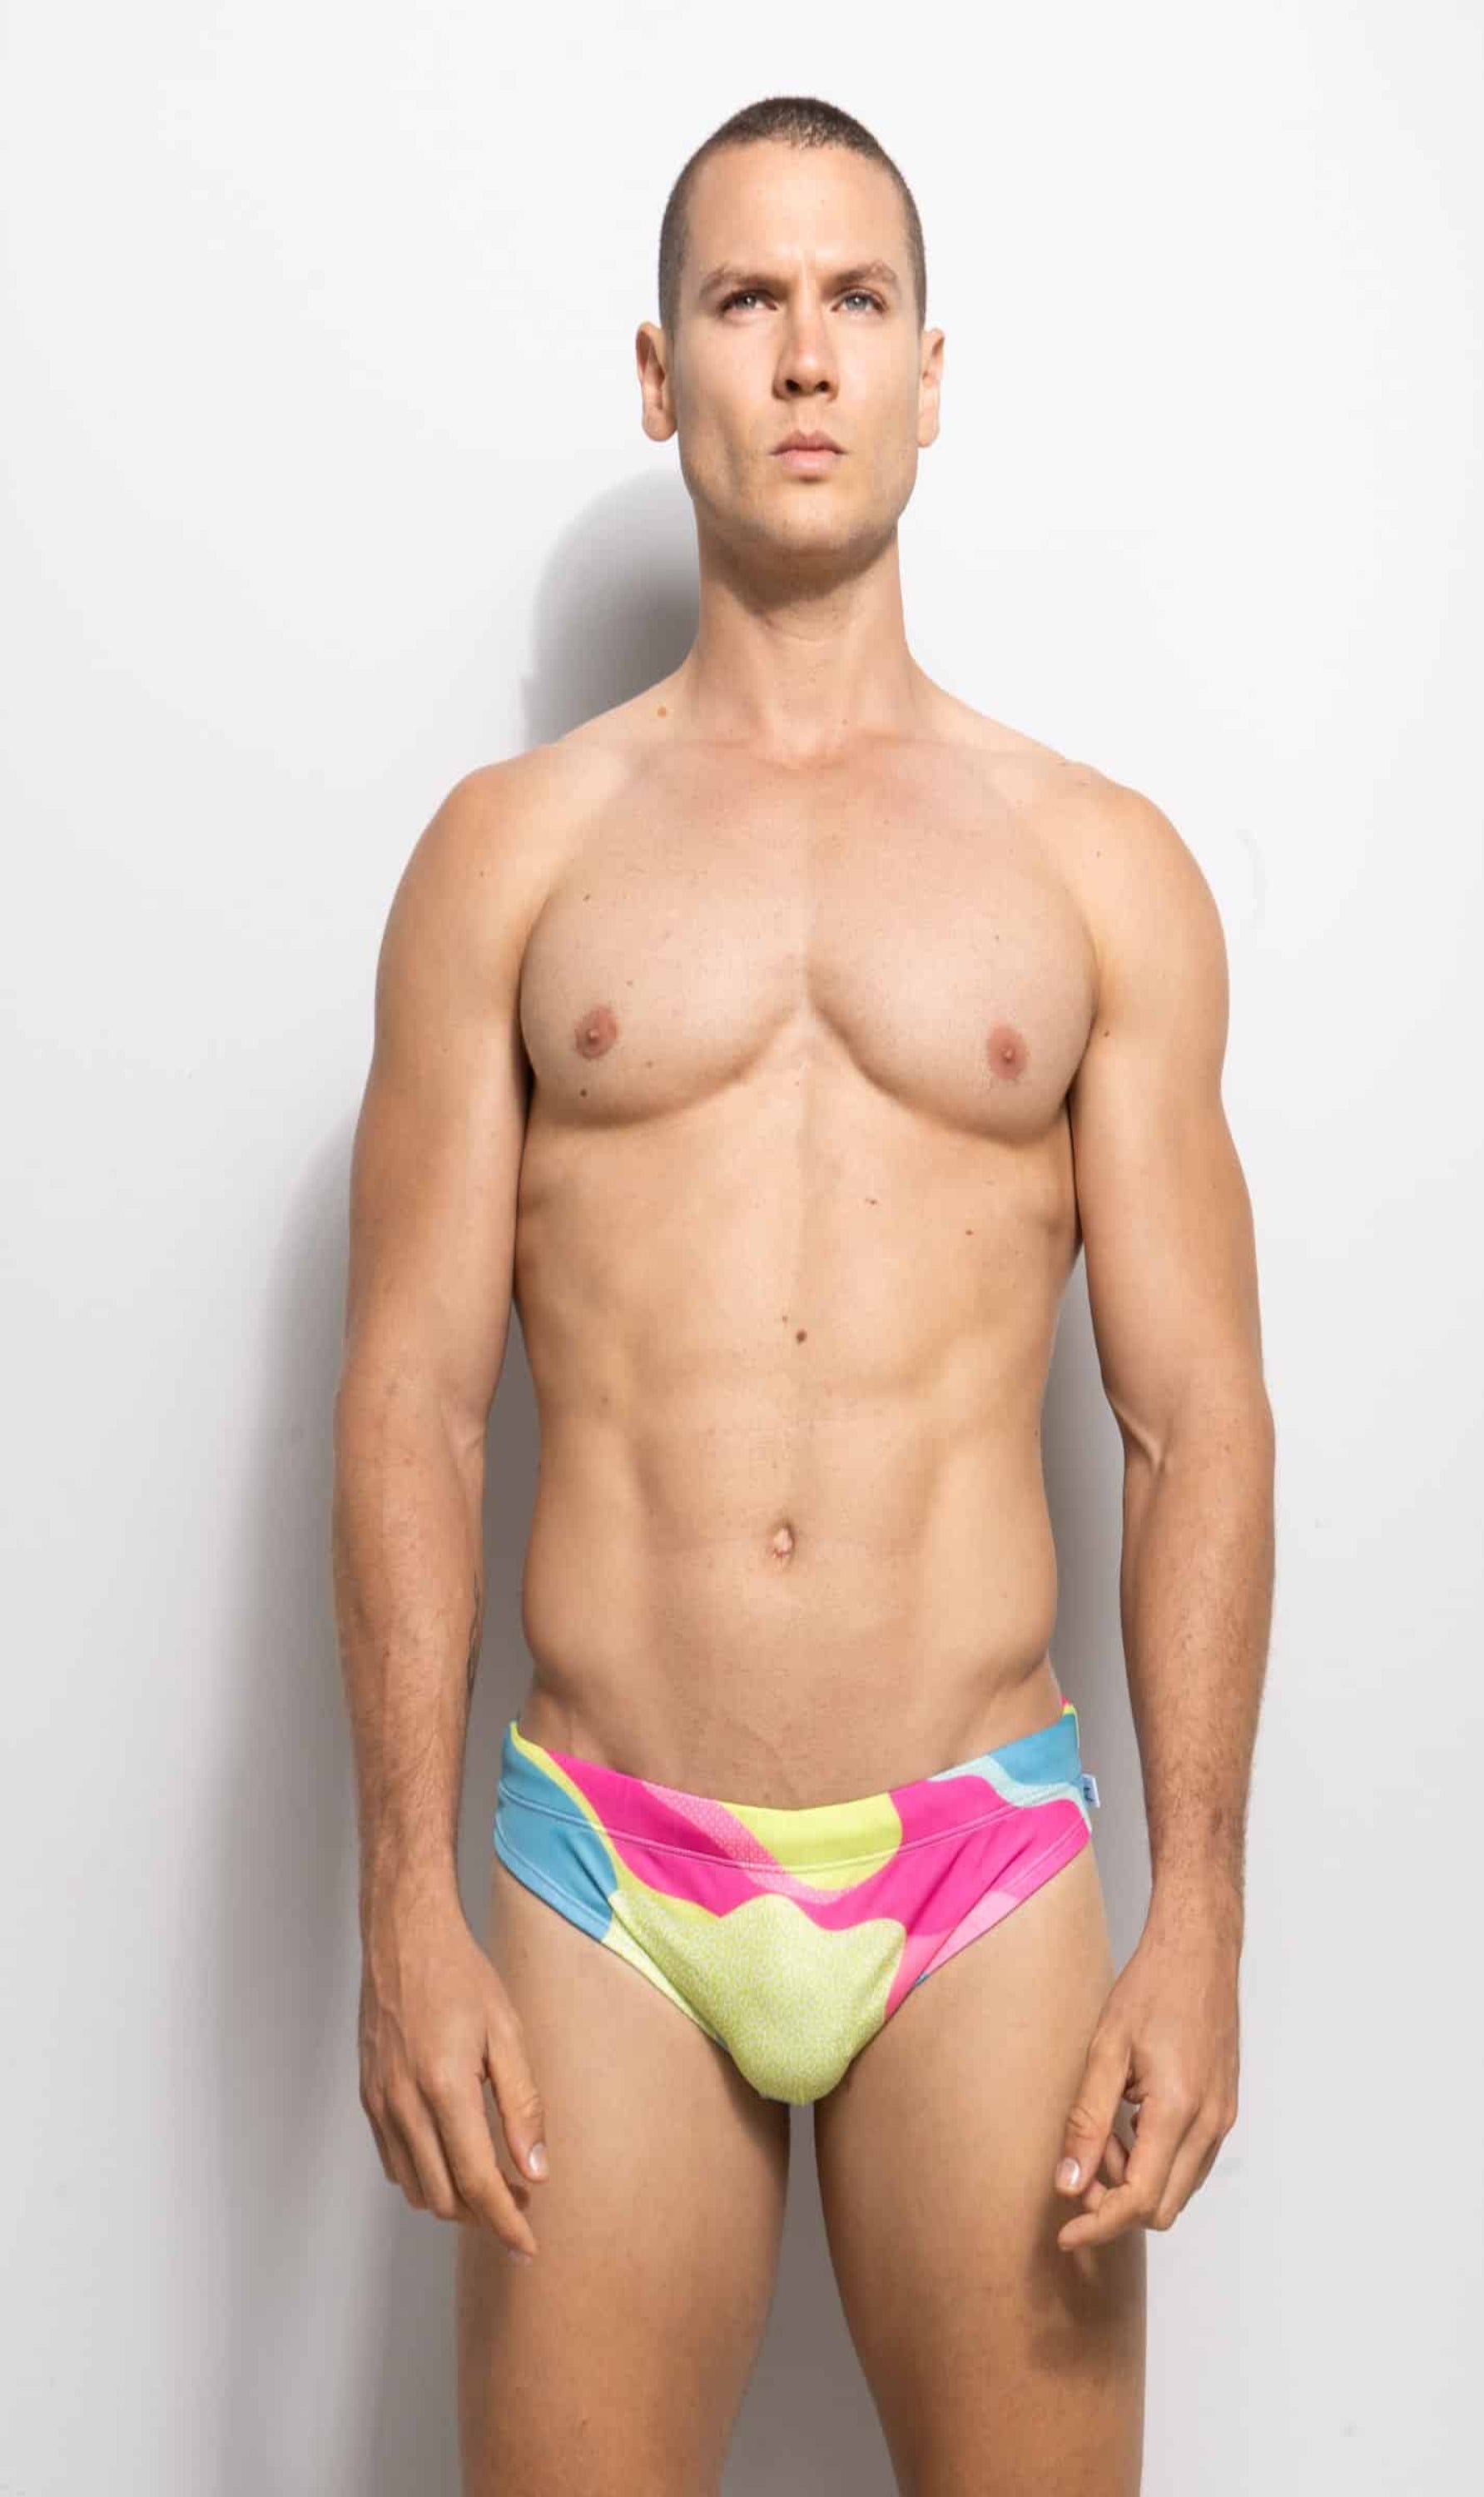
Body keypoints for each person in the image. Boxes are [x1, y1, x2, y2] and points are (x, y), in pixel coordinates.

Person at [330, 91, 1275, 2497]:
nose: (808, 356)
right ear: (663, 375)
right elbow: (415, 1401)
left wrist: (1202, 1921)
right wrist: (404, 1905)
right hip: (605, 1865)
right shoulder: (507, 859)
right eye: (747, 300)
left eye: (859, 299)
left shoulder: (1099, 870)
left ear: (933, 372)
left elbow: (1195, 1420)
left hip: (981, 1862)